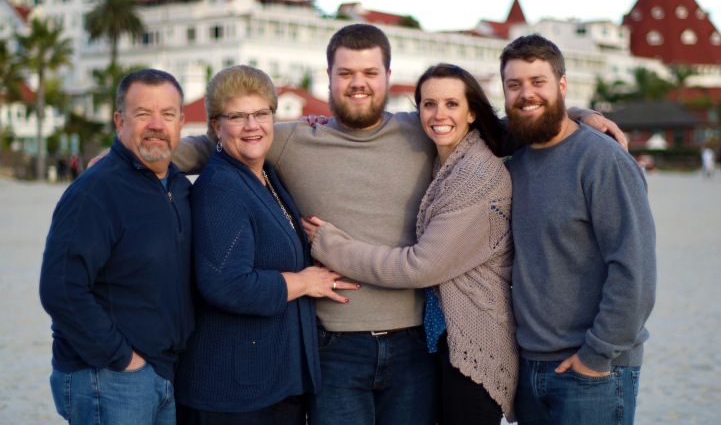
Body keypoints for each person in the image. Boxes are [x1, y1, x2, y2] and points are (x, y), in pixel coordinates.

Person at [172, 24, 626, 425]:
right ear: (328, 77)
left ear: (388, 77)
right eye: (346, 73)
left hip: (414, 348)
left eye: (370, 72)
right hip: (332, 348)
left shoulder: (424, 127)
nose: (358, 83)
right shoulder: (292, 138)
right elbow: (219, 142)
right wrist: (147, 153)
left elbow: (514, 121)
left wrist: (581, 115)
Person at [302, 64, 517, 424]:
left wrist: (331, 247)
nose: (439, 114)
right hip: (439, 342)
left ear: (472, 112)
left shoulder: (477, 176)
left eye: (452, 104)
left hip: (475, 345)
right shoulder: (445, 163)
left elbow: (420, 267)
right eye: (429, 104)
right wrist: (329, 125)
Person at [172, 65, 357, 425]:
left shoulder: (265, 175)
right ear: (216, 127)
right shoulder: (220, 188)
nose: (252, 125)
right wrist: (304, 282)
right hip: (233, 392)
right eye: (237, 116)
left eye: (261, 113)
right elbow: (226, 284)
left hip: (269, 381)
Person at [500, 34, 656, 425]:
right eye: (514, 84)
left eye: (538, 82)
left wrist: (596, 355)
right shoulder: (515, 160)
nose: (526, 93)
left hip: (593, 369)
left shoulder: (602, 159)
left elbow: (635, 268)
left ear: (562, 85)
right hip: (528, 365)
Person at [39, 69, 193, 425]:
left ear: (181, 122)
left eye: (167, 114)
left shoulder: (178, 186)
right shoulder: (96, 190)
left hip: (162, 373)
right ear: (120, 121)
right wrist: (124, 360)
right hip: (107, 376)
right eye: (143, 114)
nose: (157, 125)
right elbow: (60, 288)